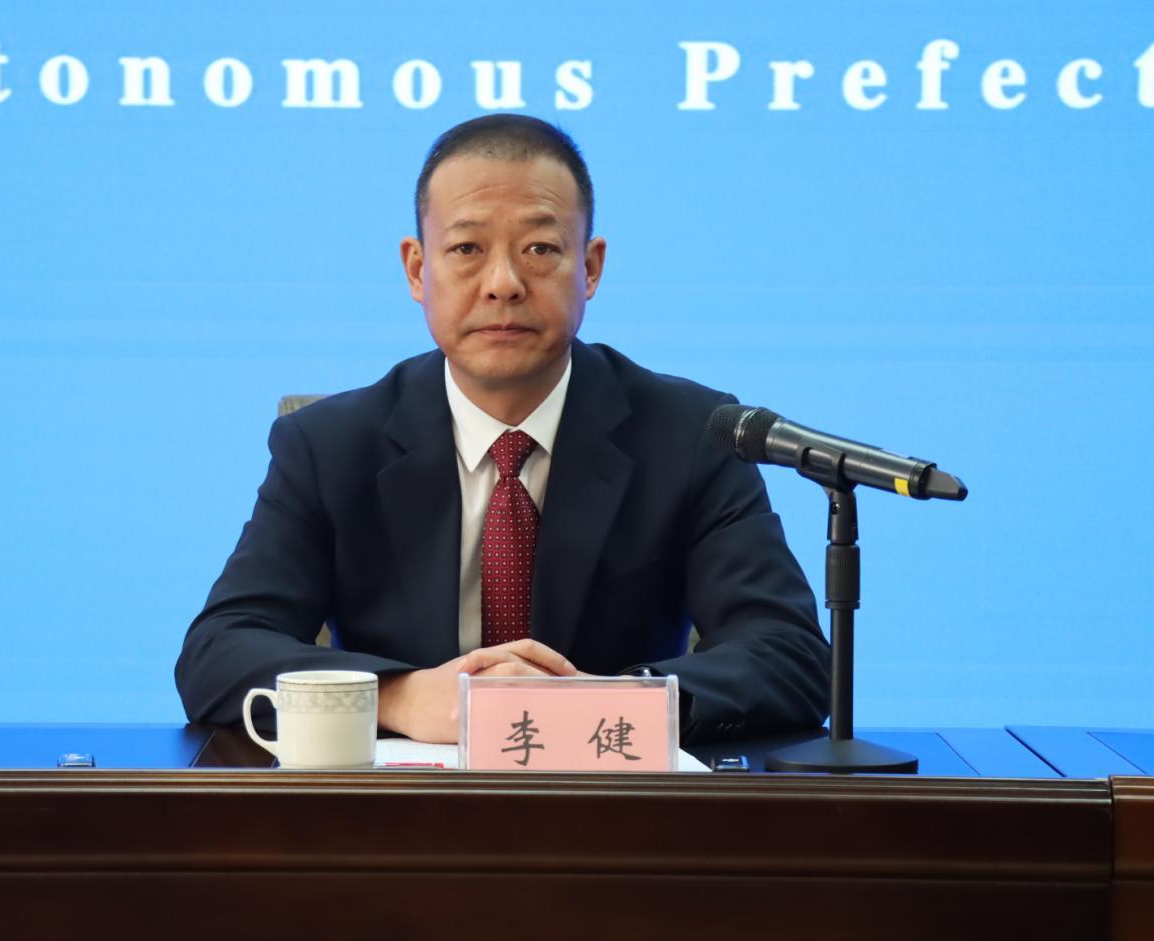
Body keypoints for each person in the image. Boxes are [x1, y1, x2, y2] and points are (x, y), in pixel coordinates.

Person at [176, 114, 829, 745]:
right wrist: (403, 696)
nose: (503, 284)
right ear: (417, 269)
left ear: (590, 267)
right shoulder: (329, 446)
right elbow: (219, 650)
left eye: (540, 249)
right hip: (399, 810)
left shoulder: (689, 435)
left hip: (612, 802)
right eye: (466, 249)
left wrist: (606, 704)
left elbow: (790, 653)